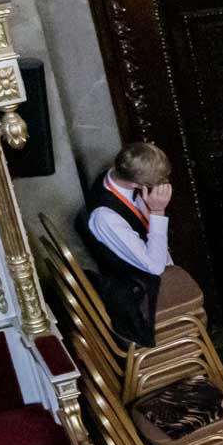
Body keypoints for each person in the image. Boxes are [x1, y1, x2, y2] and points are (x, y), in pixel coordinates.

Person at [80, 141, 174, 347]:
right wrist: (158, 212)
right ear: (137, 184)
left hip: (150, 261)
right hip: (136, 288)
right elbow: (155, 267)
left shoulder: (117, 175)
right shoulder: (105, 216)